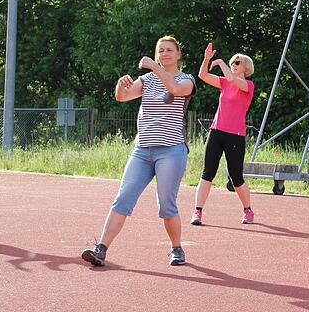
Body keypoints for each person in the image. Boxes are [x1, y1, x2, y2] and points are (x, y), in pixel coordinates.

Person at [81, 36, 196, 267]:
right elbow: (122, 97)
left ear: (178, 54)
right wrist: (120, 86)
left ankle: (176, 248)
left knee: (166, 204)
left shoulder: (186, 79)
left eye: (169, 50)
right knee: (123, 198)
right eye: (160, 51)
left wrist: (154, 66)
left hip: (171, 150)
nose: (164, 54)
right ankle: (101, 249)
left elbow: (174, 88)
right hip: (142, 150)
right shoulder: (147, 80)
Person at [190, 43, 255, 226]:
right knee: (207, 172)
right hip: (216, 132)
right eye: (232, 62)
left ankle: (248, 210)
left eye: (237, 63)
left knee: (236, 177)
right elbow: (202, 75)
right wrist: (207, 58)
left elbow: (234, 80)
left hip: (235, 135)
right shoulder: (224, 82)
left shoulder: (247, 85)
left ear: (246, 68)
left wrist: (220, 62)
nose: (233, 64)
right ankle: (197, 211)